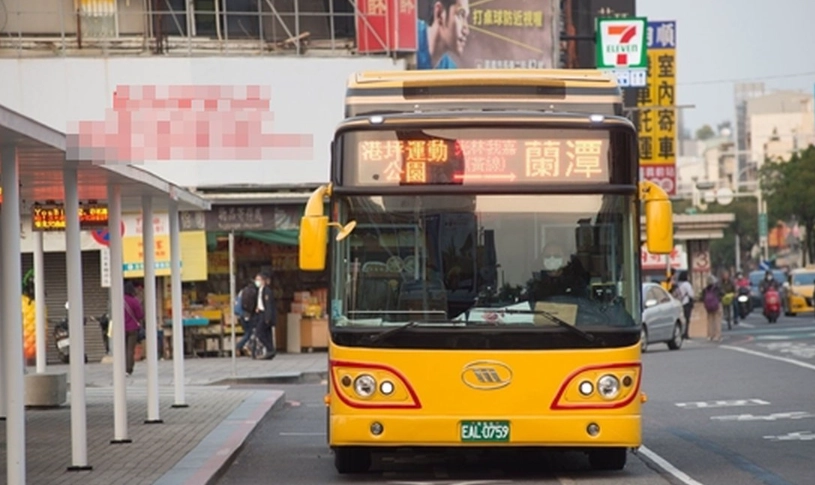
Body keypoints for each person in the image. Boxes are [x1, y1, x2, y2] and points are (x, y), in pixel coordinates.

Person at [416, 0, 470, 69]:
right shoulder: (406, 33)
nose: (466, 31)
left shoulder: (449, 70)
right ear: (440, 13)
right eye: (460, 15)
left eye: (466, 17)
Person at [252, 271, 277, 360]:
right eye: (256, 279)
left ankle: (270, 348)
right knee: (266, 334)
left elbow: (268, 305)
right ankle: (270, 351)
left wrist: (268, 317)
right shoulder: (259, 290)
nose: (257, 281)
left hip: (265, 315)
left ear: (263, 281)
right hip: (260, 313)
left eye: (258, 279)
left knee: (260, 332)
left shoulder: (267, 291)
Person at [123, 281, 145, 376]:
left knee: (122, 349)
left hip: (121, 328)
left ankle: (121, 367)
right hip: (132, 328)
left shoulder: (119, 299)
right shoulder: (134, 301)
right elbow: (140, 315)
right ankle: (128, 369)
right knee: (130, 349)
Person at [234, 281, 258, 356]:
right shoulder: (253, 292)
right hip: (247, 314)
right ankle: (239, 346)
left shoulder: (242, 291)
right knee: (250, 333)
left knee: (248, 332)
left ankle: (246, 347)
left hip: (240, 315)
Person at [702, 275, 722, 342]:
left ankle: (709, 335)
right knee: (717, 321)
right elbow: (722, 294)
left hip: (708, 307)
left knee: (710, 321)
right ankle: (717, 335)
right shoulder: (716, 288)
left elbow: (702, 297)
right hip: (716, 305)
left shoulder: (705, 289)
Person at [675, 271, 694, 339]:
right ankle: (686, 333)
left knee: (681, 318)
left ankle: (681, 333)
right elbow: (691, 294)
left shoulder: (678, 284)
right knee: (687, 319)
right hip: (686, 302)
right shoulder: (687, 284)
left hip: (680, 302)